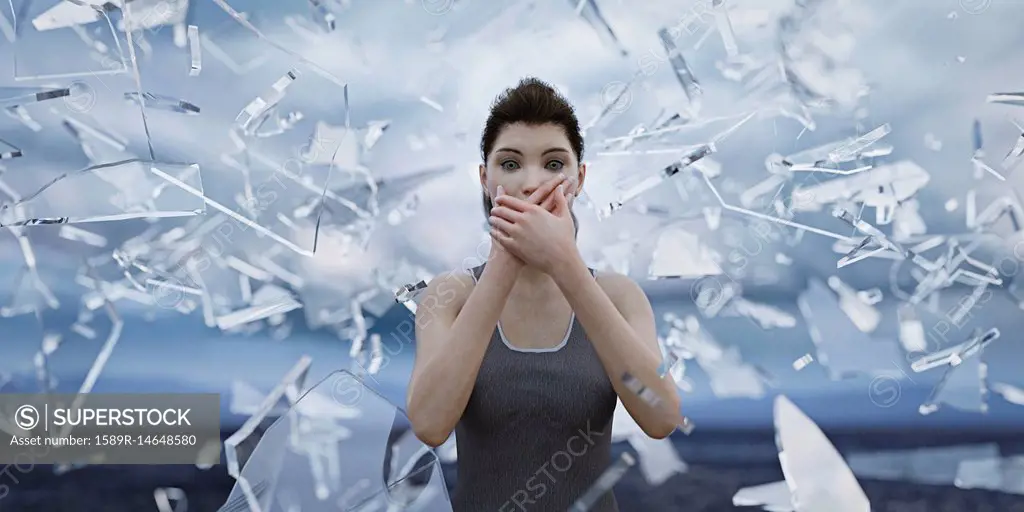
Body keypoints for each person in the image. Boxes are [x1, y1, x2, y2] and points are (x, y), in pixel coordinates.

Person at [406, 77, 682, 511]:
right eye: (510, 164)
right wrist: (505, 262)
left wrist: (567, 267)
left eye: (554, 164)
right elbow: (430, 423)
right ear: (485, 178)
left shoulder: (619, 295)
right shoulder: (450, 296)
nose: (531, 181)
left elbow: (662, 415)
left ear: (580, 178)